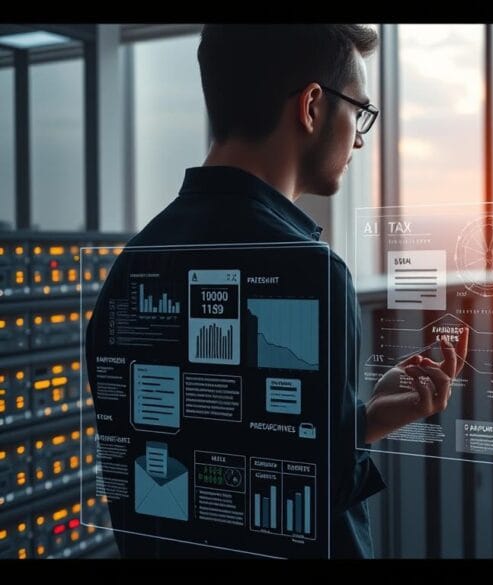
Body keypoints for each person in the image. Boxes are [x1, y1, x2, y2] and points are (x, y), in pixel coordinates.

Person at [84, 24, 468, 558]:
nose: (359, 137)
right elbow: (311, 505)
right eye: (359, 112)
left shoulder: (131, 268)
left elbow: (210, 461)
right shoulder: (311, 274)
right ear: (312, 106)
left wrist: (363, 419)